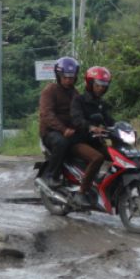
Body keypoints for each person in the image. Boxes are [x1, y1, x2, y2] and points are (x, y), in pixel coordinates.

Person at [67, 66, 116, 208]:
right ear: (90, 84)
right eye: (98, 85)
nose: (101, 88)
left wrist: (124, 128)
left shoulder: (102, 104)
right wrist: (90, 127)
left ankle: (108, 187)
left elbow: (110, 121)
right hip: (78, 141)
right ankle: (82, 193)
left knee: (117, 156)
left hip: (94, 141)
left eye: (104, 86)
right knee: (97, 158)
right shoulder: (79, 100)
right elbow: (76, 119)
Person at [38, 56, 80, 184]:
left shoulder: (75, 93)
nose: (68, 80)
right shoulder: (50, 90)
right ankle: (51, 175)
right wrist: (63, 129)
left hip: (70, 130)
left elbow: (81, 112)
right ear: (59, 76)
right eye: (65, 77)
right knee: (61, 142)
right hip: (51, 132)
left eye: (71, 78)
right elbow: (47, 114)